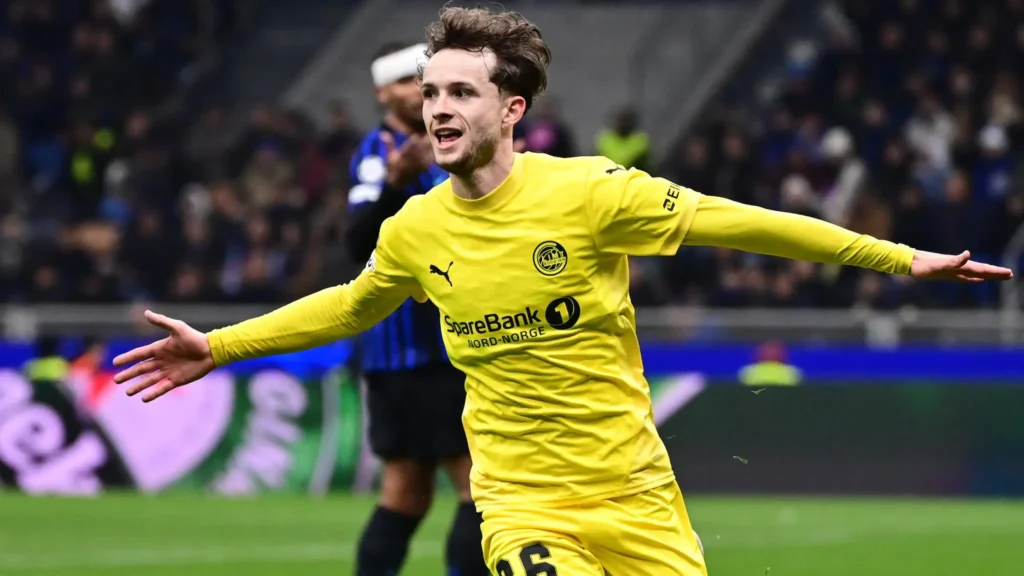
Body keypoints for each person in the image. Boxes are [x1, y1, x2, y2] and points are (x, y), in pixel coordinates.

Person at [112, 6, 1013, 575]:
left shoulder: (590, 193)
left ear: (511, 109)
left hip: (636, 494)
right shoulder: (414, 228)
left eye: (461, 92)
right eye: (431, 91)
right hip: (523, 505)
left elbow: (738, 222)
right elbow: (350, 306)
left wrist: (898, 259)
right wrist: (218, 346)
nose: (438, 107)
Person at [344, 41, 486, 576]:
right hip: (414, 353)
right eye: (407, 82)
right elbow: (357, 245)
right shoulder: (377, 154)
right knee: (474, 484)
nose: (420, 92)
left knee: (411, 494)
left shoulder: (453, 145)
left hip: (442, 348)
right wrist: (396, 183)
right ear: (382, 92)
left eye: (425, 82)